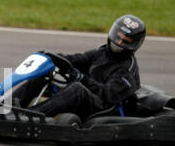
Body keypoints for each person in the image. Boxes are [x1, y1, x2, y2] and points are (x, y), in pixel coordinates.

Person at [12, 14, 145, 120]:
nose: (118, 42)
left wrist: (82, 79)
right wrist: (51, 58)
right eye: (118, 37)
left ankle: (29, 115)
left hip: (103, 108)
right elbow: (77, 59)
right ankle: (7, 107)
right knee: (43, 75)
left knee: (77, 88)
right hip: (85, 98)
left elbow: (107, 96)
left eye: (125, 41)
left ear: (134, 44)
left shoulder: (127, 70)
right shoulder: (101, 53)